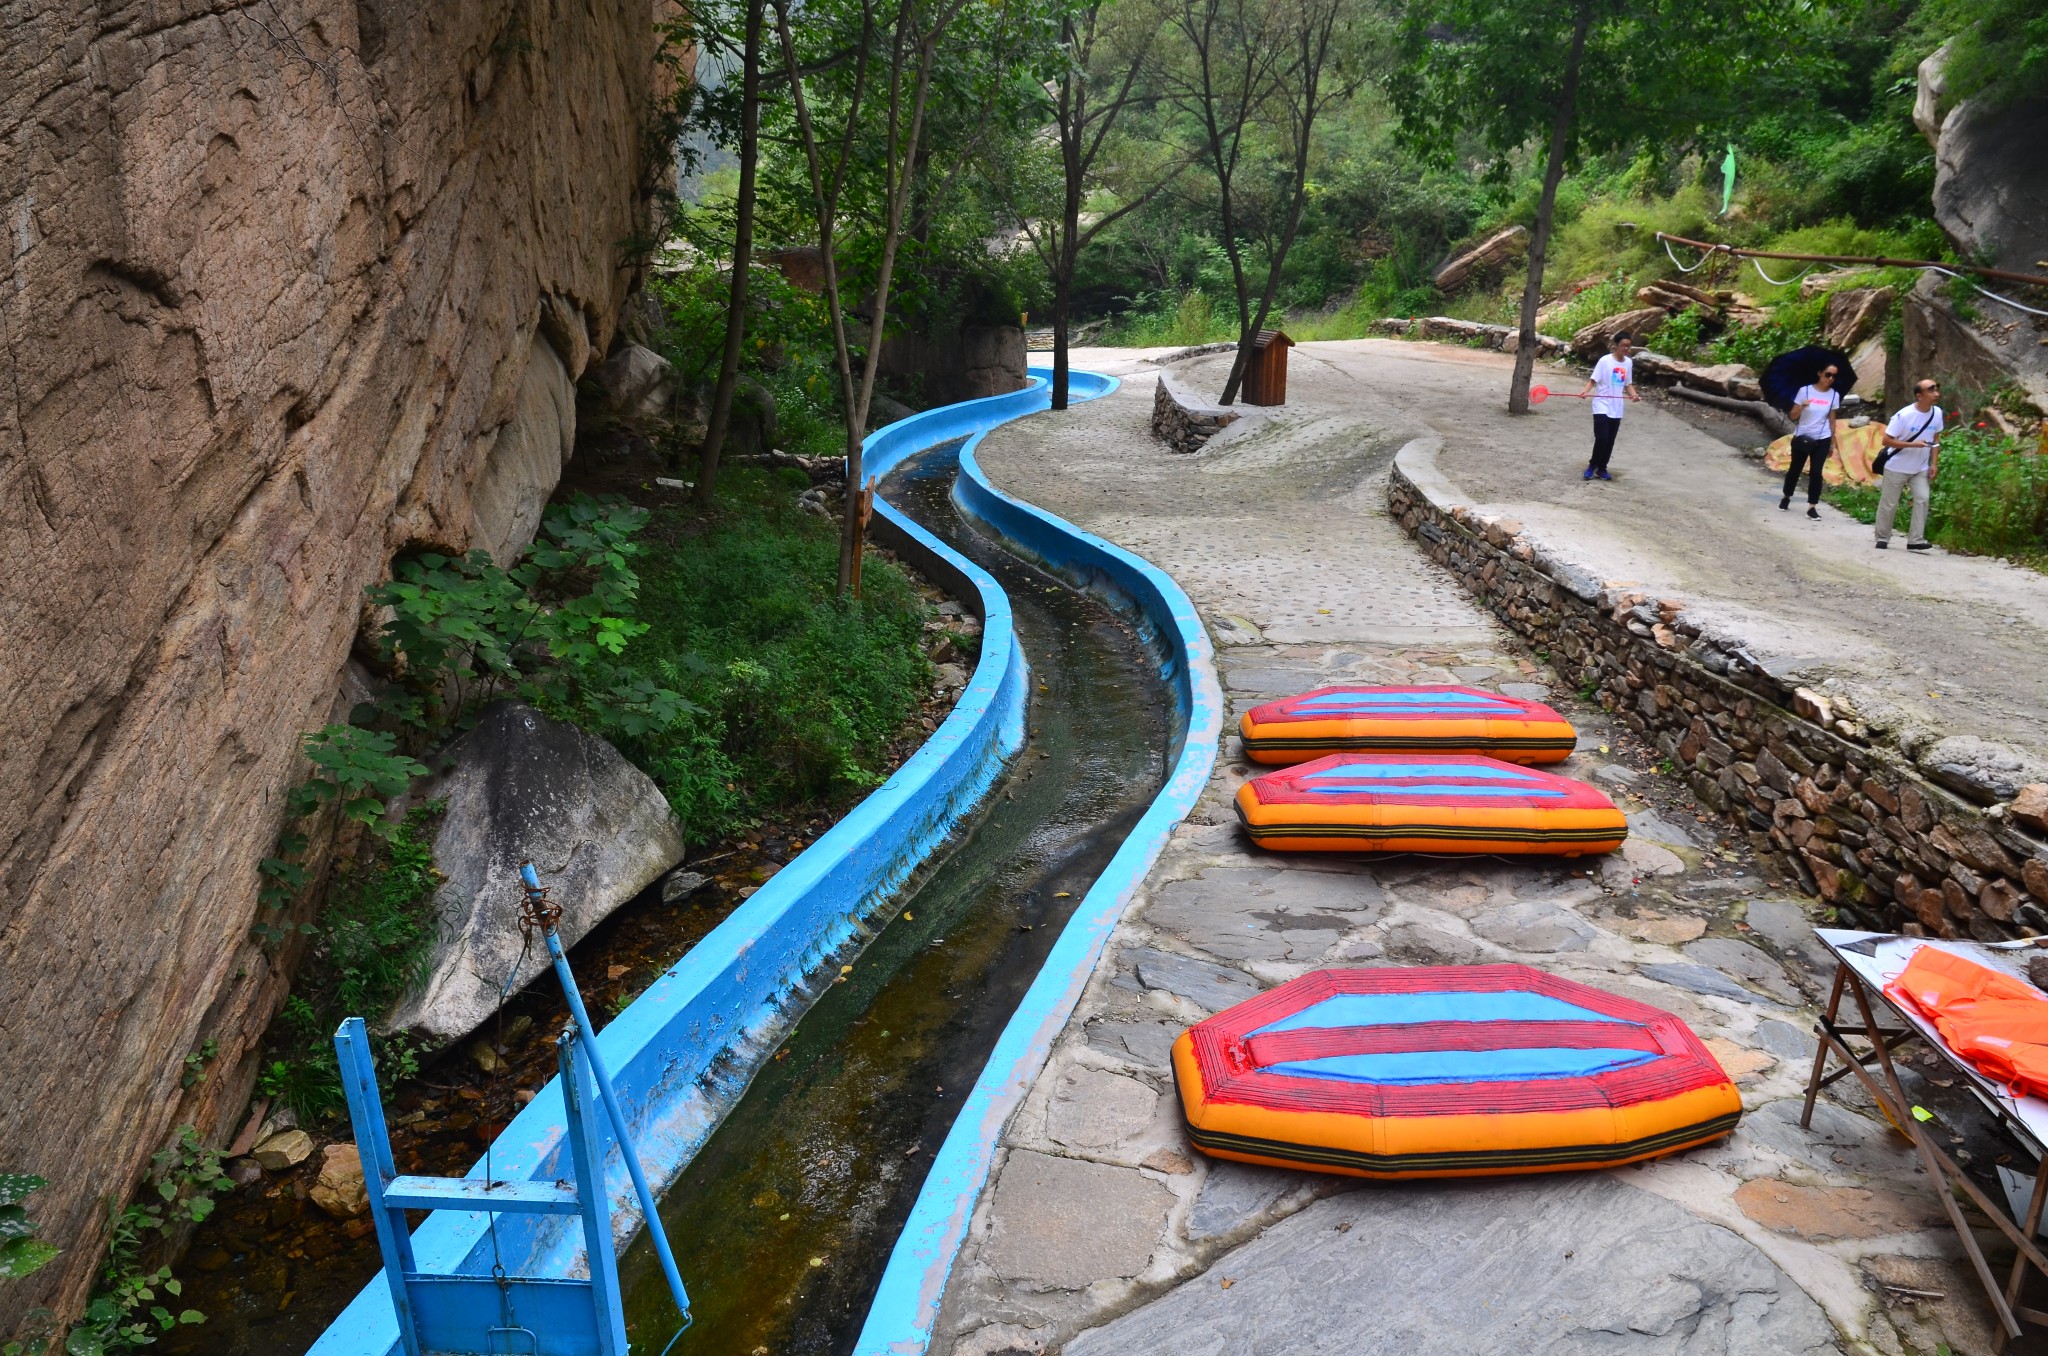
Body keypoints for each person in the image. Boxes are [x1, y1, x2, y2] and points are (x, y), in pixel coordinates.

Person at [1875, 379, 1944, 551]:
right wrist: (1914, 445)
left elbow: (1936, 439)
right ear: (1919, 396)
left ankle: (1915, 539)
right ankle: (1882, 537)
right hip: (1897, 466)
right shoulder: (1904, 415)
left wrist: (1933, 463)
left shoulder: (1937, 413)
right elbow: (1886, 440)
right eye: (1931, 390)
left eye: (1937, 389)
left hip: (1920, 467)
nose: (1936, 393)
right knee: (1889, 503)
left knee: (1923, 498)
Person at [1780, 363, 1845, 518]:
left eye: (1834, 376)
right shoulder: (1805, 391)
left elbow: (1832, 420)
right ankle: (1787, 496)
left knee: (1816, 472)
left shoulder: (1834, 395)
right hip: (1803, 436)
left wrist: (1832, 443)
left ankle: (1812, 506)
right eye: (1827, 374)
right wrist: (1802, 406)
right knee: (1795, 469)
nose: (1830, 379)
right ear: (1819, 373)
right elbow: (1793, 416)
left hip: (1822, 437)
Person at [1579, 332, 1640, 481]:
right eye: (1623, 345)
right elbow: (1593, 380)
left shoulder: (1628, 363)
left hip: (1617, 406)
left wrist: (1634, 395)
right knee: (1602, 437)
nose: (1626, 348)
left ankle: (1602, 468)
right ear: (1615, 346)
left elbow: (1628, 384)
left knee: (1610, 440)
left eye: (1628, 346)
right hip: (1601, 404)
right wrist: (1585, 391)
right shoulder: (1605, 361)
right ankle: (1592, 466)